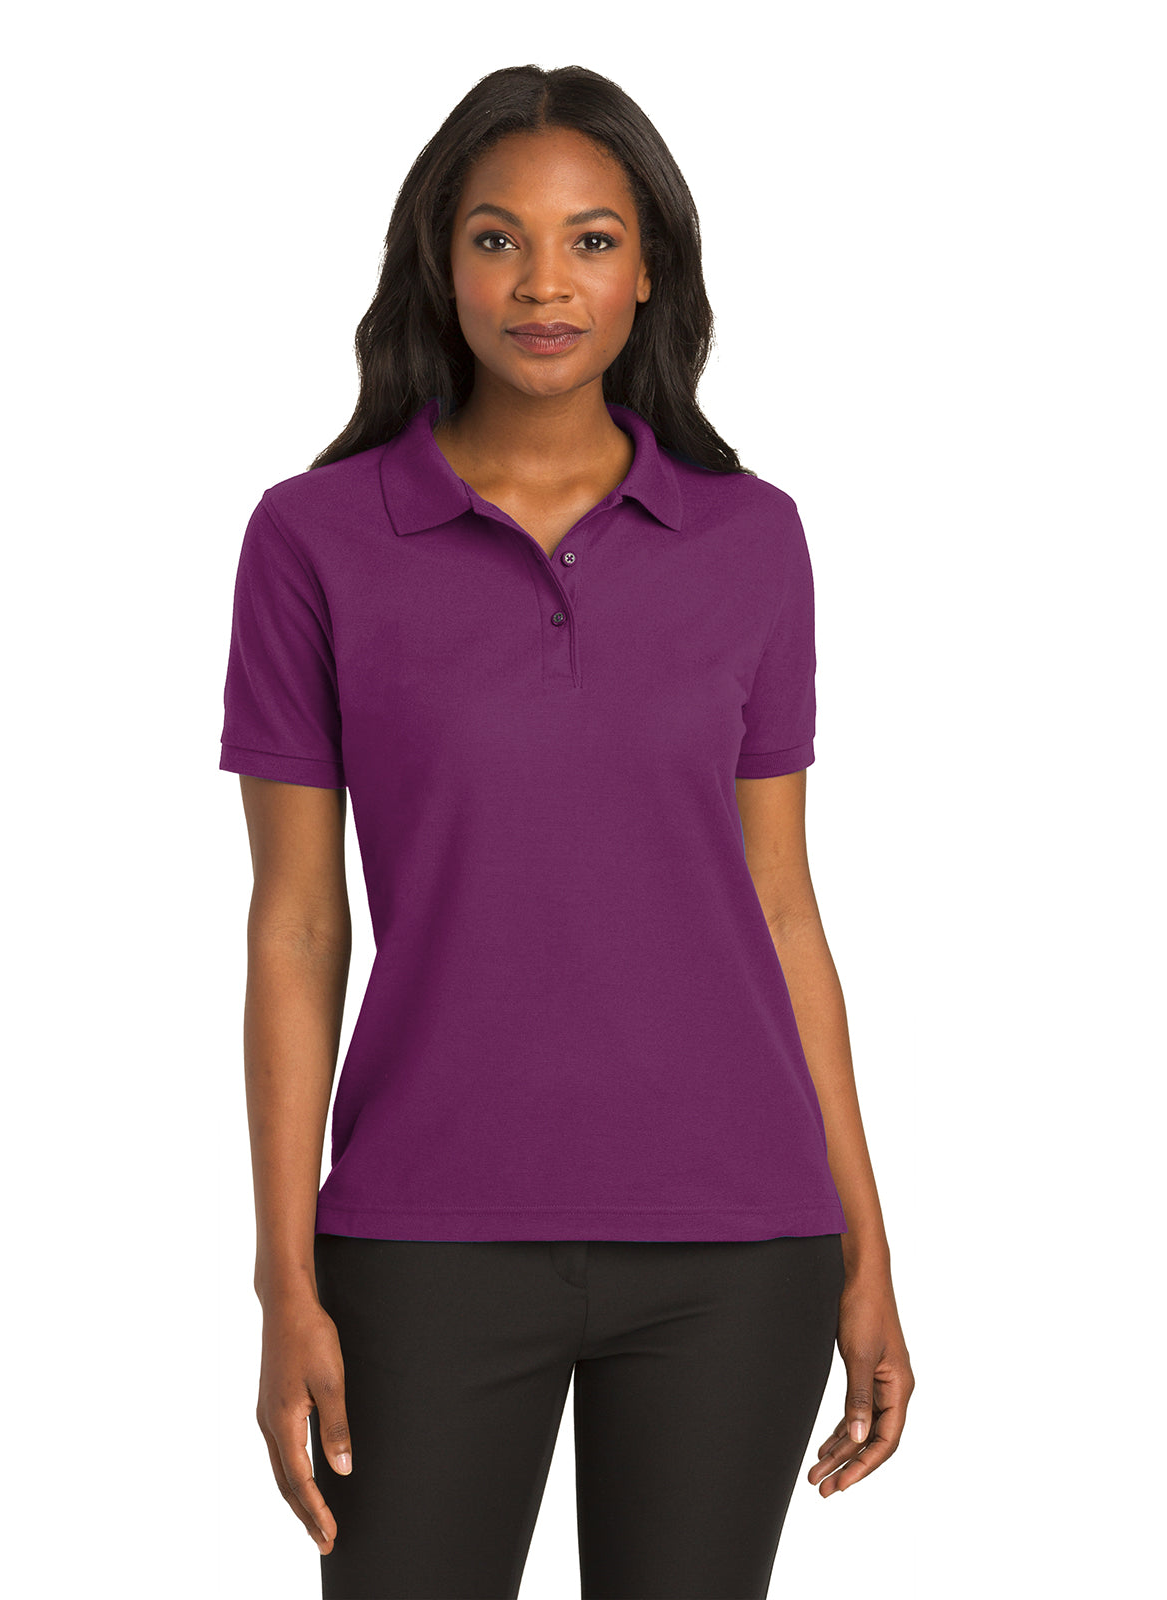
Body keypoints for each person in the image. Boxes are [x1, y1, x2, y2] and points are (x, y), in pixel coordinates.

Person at [218, 62, 915, 1600]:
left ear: (650, 267)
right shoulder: (313, 540)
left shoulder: (751, 538)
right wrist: (284, 1281)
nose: (545, 284)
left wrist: (867, 1250)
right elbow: (299, 924)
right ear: (438, 260)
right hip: (420, 1240)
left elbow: (781, 906)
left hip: (738, 1245)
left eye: (592, 240)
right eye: (498, 239)